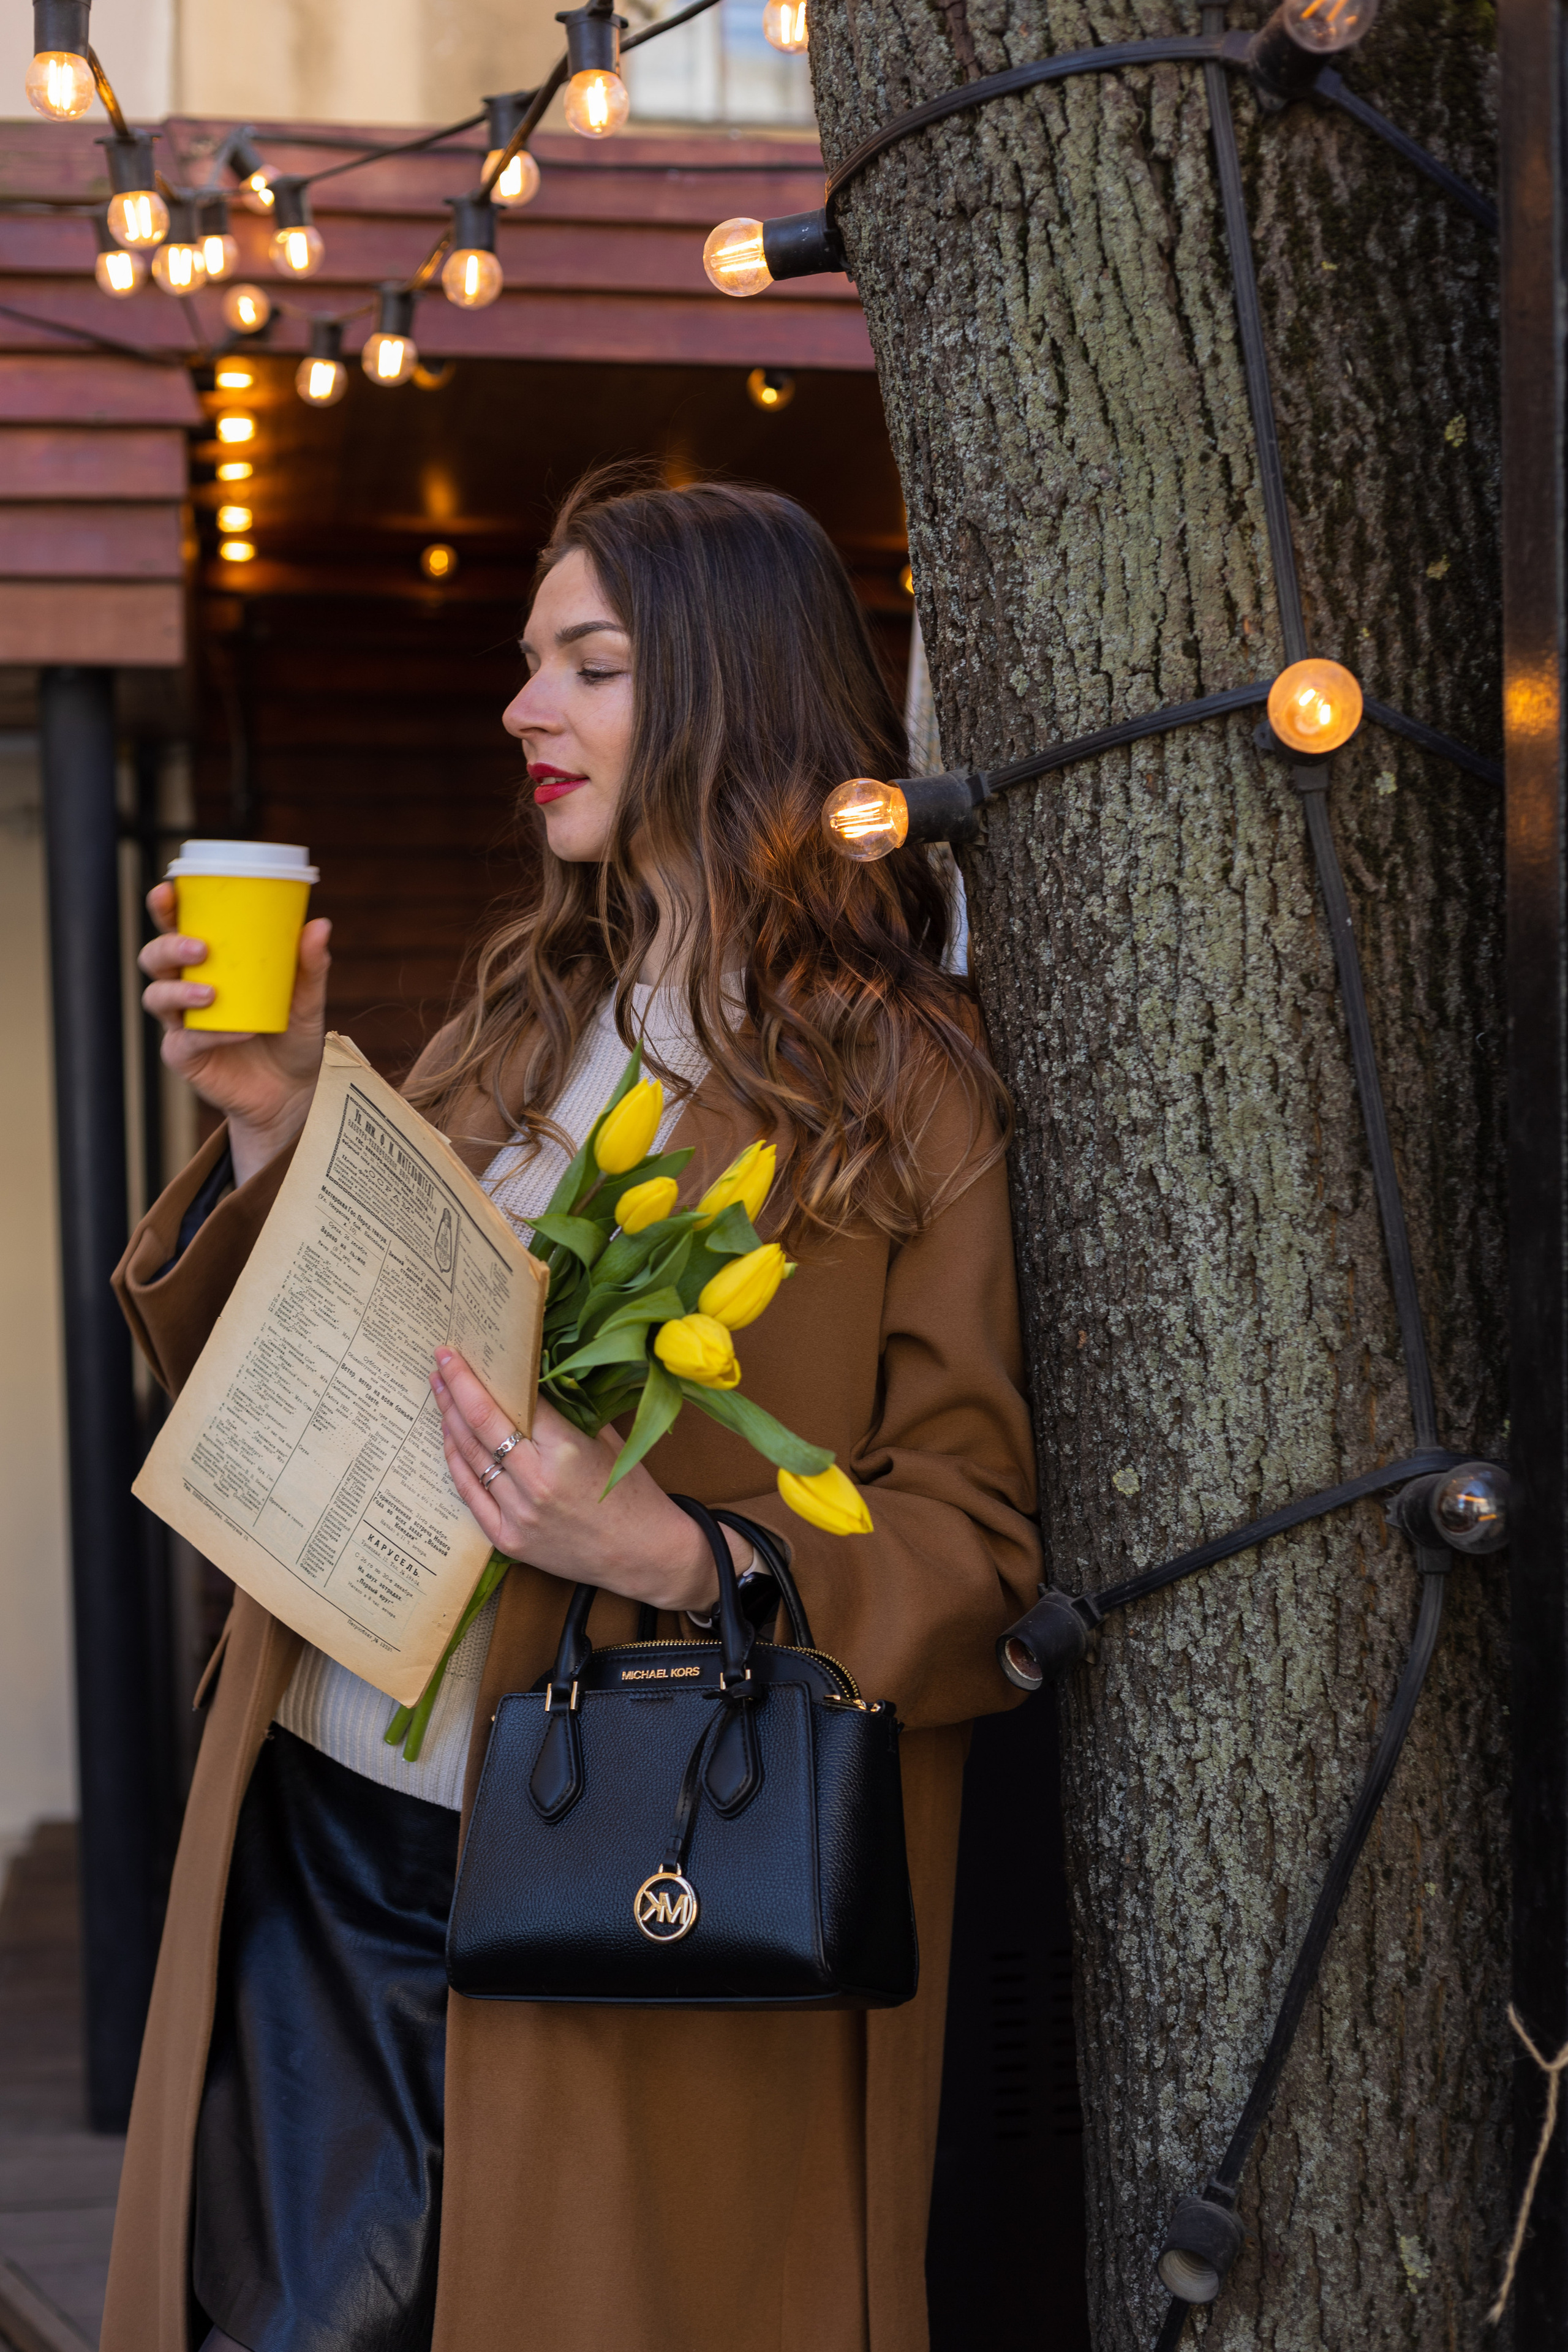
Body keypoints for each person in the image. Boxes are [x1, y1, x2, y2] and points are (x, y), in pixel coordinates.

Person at [104, 474, 1040, 2352]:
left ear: (725, 684)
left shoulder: (902, 1084)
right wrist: (276, 1115)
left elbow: (977, 1549)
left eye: (587, 666)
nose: (525, 710)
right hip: (330, 1811)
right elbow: (325, 1381)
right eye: (531, 667)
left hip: (629, 1867)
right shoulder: (526, 1013)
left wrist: (677, 1549)